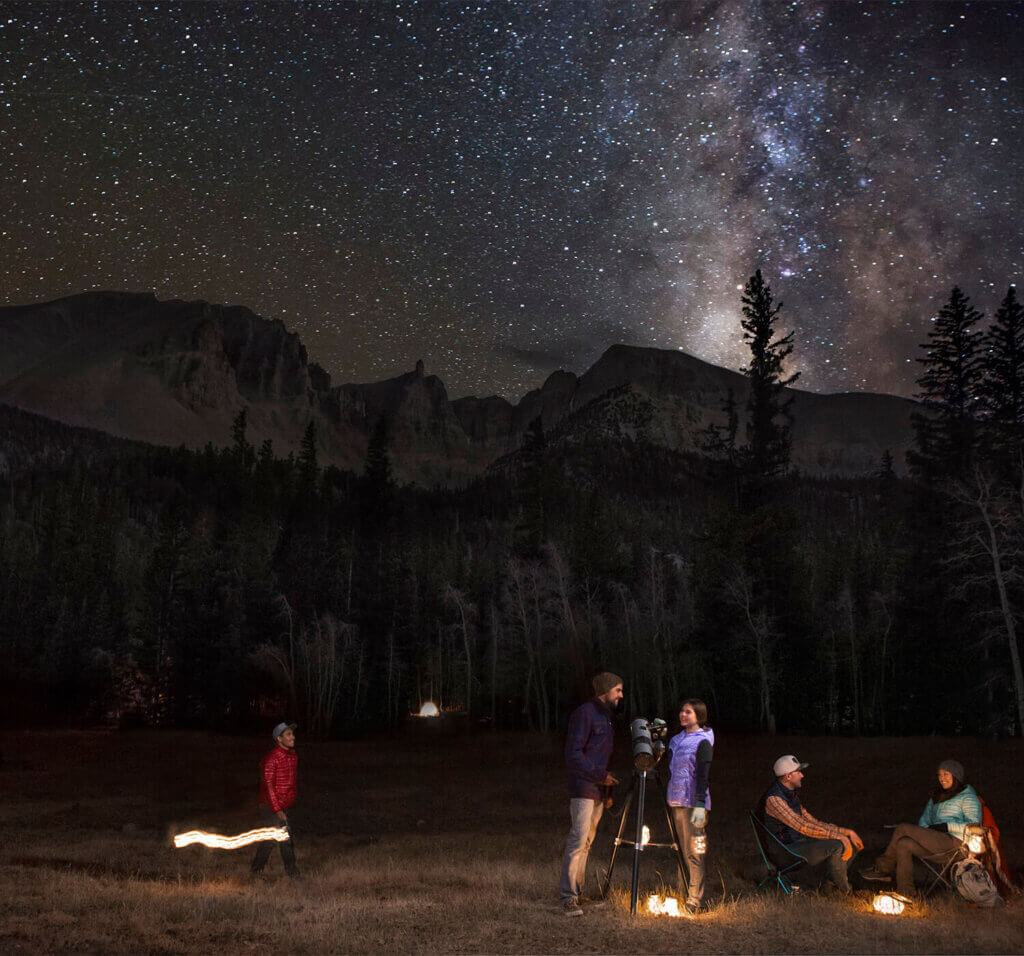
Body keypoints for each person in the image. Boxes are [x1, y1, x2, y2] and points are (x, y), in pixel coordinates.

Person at [861, 759, 982, 897]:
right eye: (940, 775)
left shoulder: (968, 797)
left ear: (956, 776)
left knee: (903, 828)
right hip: (935, 843)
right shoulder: (937, 797)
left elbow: (975, 825)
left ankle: (882, 869)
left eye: (946, 774)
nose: (942, 778)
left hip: (955, 845)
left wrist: (947, 826)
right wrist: (928, 829)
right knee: (903, 843)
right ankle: (906, 892)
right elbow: (924, 820)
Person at [559, 671, 623, 917]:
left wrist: (607, 791)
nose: (621, 695)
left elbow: (601, 755)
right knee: (577, 841)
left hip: (597, 790)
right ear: (605, 690)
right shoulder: (585, 713)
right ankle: (567, 898)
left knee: (586, 843)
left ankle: (578, 892)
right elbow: (574, 754)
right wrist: (599, 776)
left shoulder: (605, 717)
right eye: (618, 690)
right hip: (584, 788)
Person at [757, 754, 863, 894]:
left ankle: (831, 886)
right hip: (785, 851)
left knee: (850, 842)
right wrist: (839, 837)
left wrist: (846, 832)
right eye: (798, 772)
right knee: (839, 845)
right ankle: (846, 891)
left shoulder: (790, 794)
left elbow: (811, 821)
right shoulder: (775, 799)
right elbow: (802, 826)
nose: (802, 775)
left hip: (797, 842)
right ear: (788, 776)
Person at [665, 698, 714, 914]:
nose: (683, 715)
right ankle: (682, 891)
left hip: (694, 803)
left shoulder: (703, 740)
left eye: (688, 712)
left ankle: (695, 898)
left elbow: (703, 774)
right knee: (681, 849)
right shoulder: (676, 740)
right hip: (676, 800)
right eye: (682, 711)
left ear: (699, 716)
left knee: (695, 850)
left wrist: (701, 803)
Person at [250, 722, 300, 880]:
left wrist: (289, 801)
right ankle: (293, 875)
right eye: (288, 735)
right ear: (279, 739)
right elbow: (269, 787)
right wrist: (277, 810)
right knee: (284, 838)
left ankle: (255, 870)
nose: (293, 737)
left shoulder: (292, 756)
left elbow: (291, 782)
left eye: (292, 734)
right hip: (270, 805)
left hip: (283, 805)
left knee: (271, 840)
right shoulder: (272, 759)